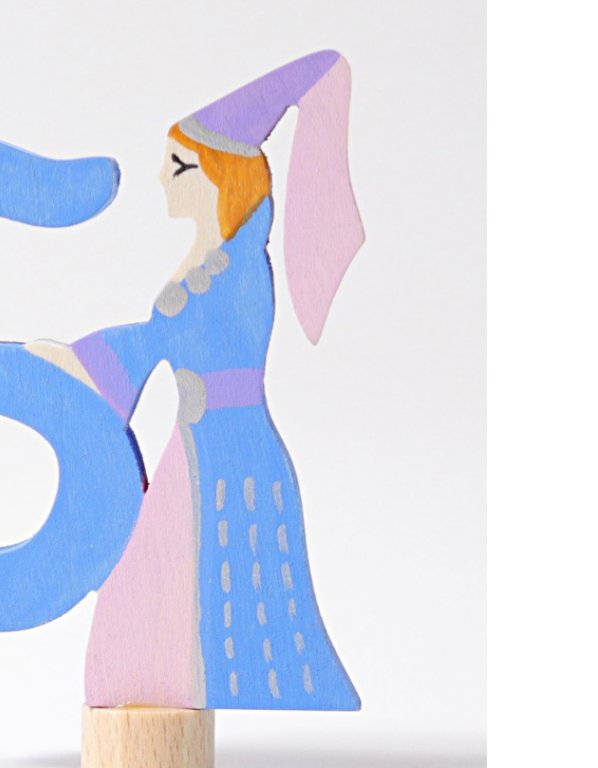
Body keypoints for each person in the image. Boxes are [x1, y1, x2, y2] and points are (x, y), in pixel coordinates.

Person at [27, 50, 365, 710]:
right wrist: (80, 359)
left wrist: (84, 361)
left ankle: (173, 679)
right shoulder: (211, 262)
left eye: (178, 165)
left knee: (203, 574)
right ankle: (152, 676)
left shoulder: (234, 272)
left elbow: (163, 341)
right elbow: (156, 342)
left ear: (218, 178)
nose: (162, 176)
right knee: (161, 570)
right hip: (196, 443)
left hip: (227, 451)